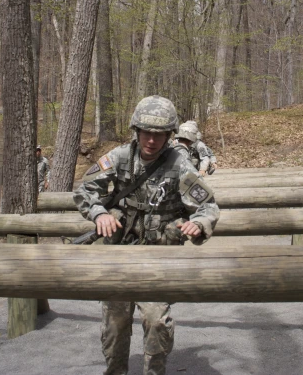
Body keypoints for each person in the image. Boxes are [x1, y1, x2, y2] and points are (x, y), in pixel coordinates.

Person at [74, 95, 220, 375]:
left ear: (169, 135)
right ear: (137, 131)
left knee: (155, 322)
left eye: (159, 134)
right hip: (120, 255)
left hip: (158, 258)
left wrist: (199, 223)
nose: (152, 140)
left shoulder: (180, 164)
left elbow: (207, 205)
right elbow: (84, 190)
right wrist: (99, 213)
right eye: (147, 133)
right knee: (115, 324)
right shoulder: (118, 157)